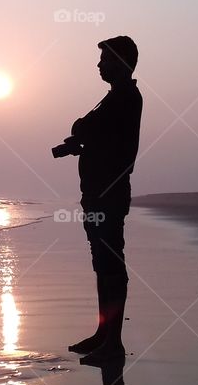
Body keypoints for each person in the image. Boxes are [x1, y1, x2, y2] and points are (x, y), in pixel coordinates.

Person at [52, 36, 142, 363]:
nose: (99, 65)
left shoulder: (126, 97)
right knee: (102, 264)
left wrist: (81, 137)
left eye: (105, 59)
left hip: (108, 194)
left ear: (120, 61)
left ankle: (112, 343)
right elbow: (98, 135)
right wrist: (80, 143)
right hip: (97, 193)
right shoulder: (115, 98)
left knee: (110, 265)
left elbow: (111, 144)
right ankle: (104, 334)